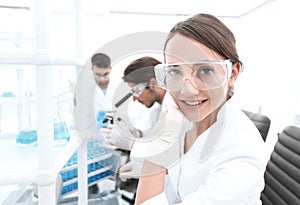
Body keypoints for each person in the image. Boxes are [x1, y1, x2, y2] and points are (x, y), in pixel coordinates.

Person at [134, 13, 267, 205]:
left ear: (232, 74)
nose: (188, 89)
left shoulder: (241, 154)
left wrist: (157, 149)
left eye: (205, 70)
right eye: (174, 72)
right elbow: (173, 193)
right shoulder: (184, 122)